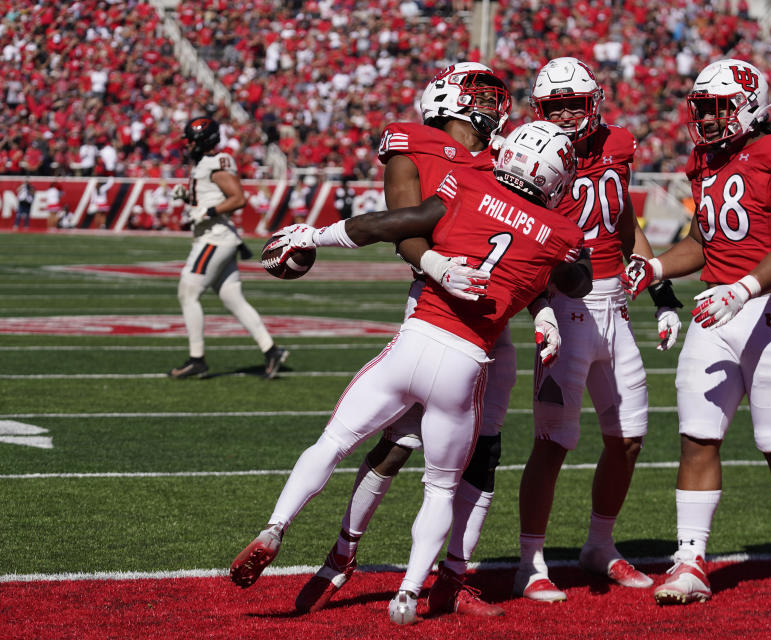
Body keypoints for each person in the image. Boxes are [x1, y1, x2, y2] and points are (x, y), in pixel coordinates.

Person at [229, 121, 591, 625]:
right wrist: (548, 291)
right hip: (466, 364)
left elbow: (392, 224)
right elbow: (575, 279)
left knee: (333, 442)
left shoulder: (468, 183)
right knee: (441, 487)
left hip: (414, 342)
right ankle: (408, 591)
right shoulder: (561, 233)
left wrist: (314, 235)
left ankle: (276, 525)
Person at [293, 62, 517, 619]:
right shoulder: (413, 141)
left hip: (493, 320)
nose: (494, 109)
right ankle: (344, 551)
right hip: (436, 306)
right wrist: (438, 263)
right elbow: (405, 224)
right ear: (447, 99)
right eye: (482, 97)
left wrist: (545, 313)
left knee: (483, 452)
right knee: (398, 441)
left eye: (495, 97)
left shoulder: (504, 156)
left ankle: (454, 580)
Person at [627, 59, 771, 606]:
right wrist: (658, 268)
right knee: (697, 436)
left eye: (718, 108)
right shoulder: (706, 161)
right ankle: (690, 559)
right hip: (717, 311)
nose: (708, 121)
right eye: (703, 110)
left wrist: (742, 289)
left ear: (750, 105)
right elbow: (705, 241)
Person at [514, 57, 683, 602]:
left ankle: (598, 545)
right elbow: (515, 237)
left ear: (595, 102)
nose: (564, 114)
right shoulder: (527, 152)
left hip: (617, 306)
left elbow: (623, 222)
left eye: (574, 103)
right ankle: (530, 560)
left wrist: (661, 291)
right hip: (563, 306)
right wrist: (537, 306)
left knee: (629, 437)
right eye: (554, 105)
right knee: (553, 441)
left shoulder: (619, 144)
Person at [168, 116, 288, 380]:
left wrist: (207, 211)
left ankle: (196, 358)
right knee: (233, 299)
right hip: (219, 237)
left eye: (191, 141)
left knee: (188, 292)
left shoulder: (214, 164)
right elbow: (212, 194)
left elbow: (238, 198)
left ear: (202, 141)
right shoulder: (207, 163)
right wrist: (188, 196)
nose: (187, 146)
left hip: (214, 238)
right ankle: (271, 351)